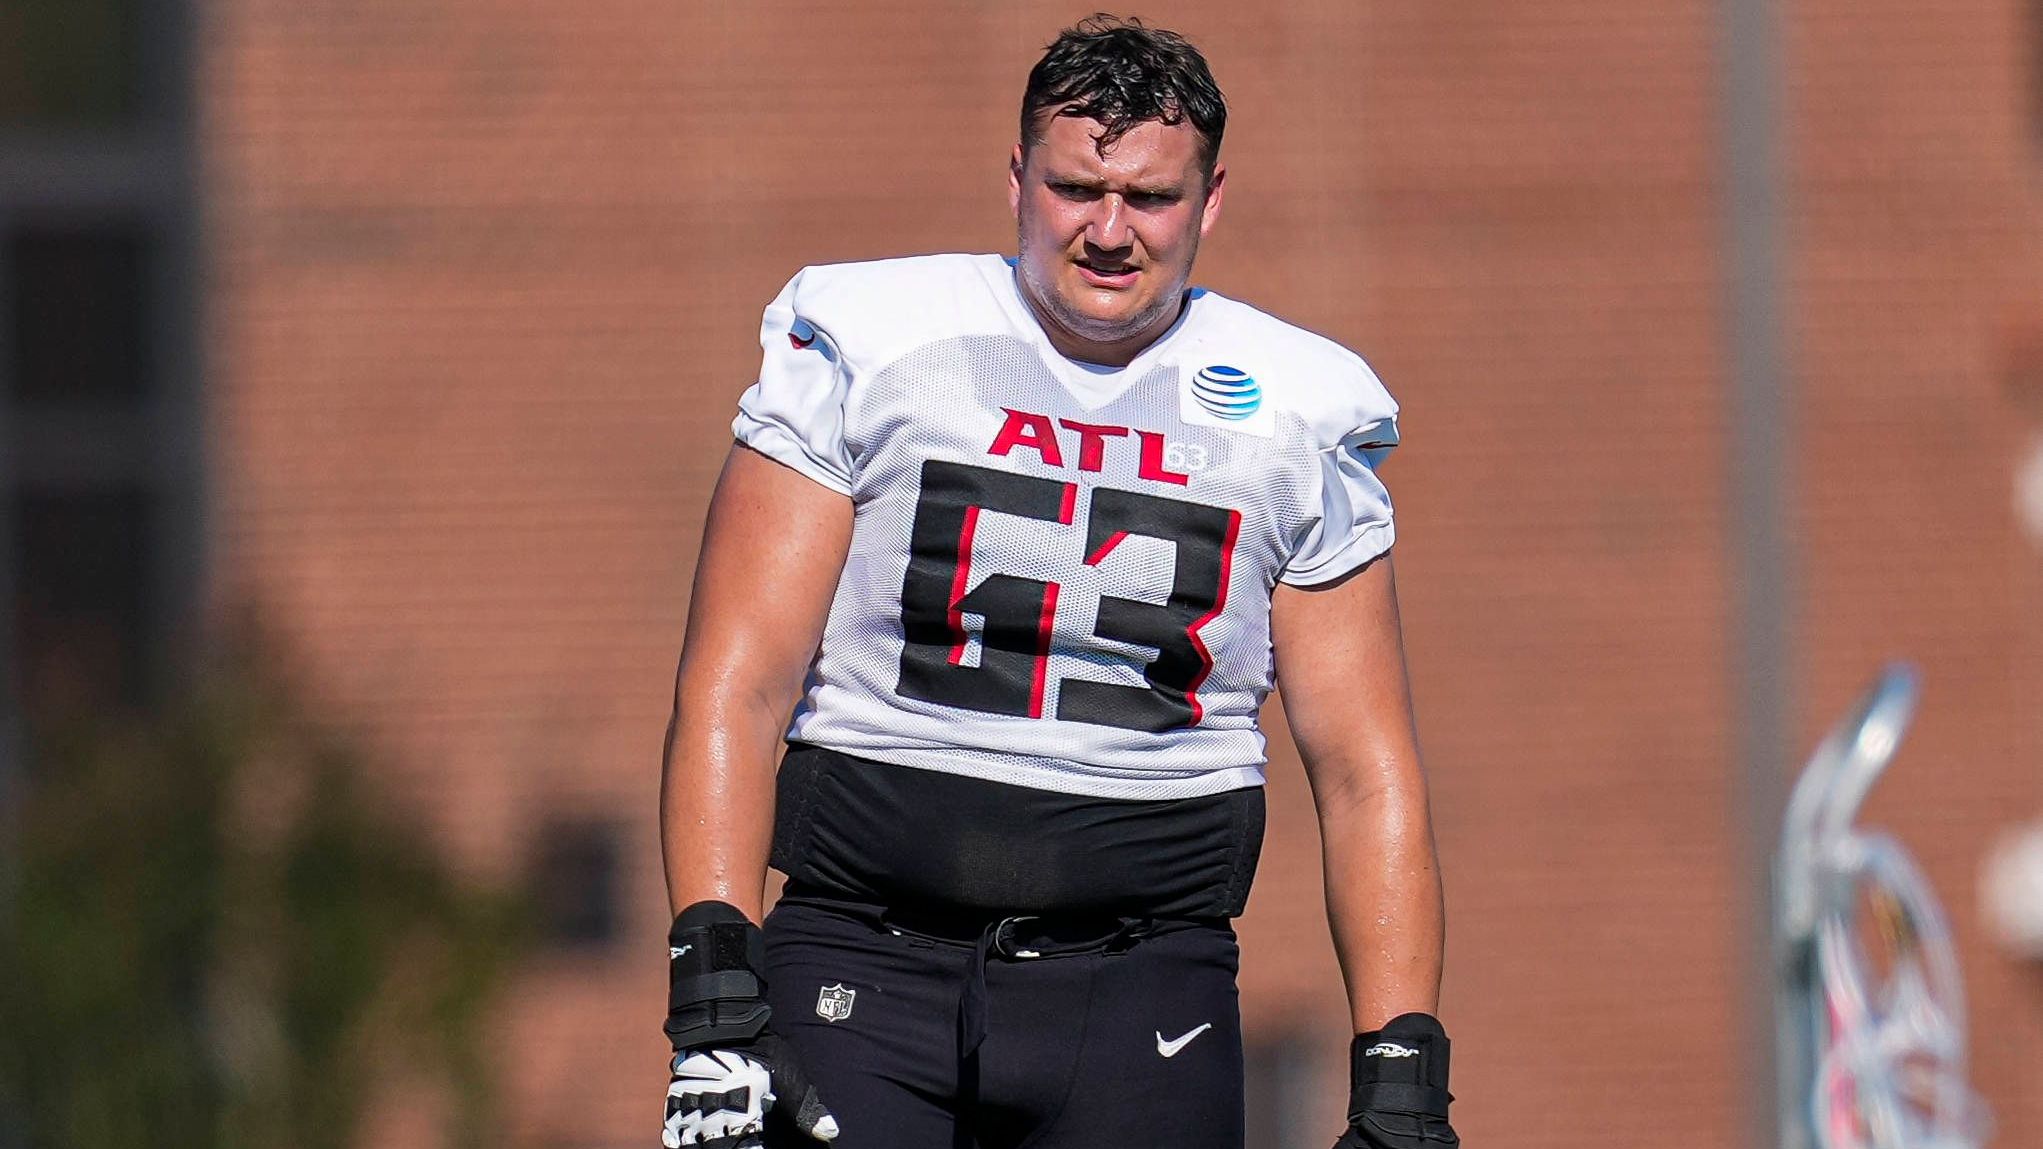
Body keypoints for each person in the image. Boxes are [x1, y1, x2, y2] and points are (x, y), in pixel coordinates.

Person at [658, 15, 1457, 1149]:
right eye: (1079, 187)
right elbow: (737, 681)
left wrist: (1402, 1070)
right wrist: (714, 997)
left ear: (1211, 199)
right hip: (861, 956)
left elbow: (1368, 767)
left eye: (1152, 198)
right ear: (1018, 178)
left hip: (1142, 985)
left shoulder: (1297, 403)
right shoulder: (874, 340)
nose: (1111, 230)